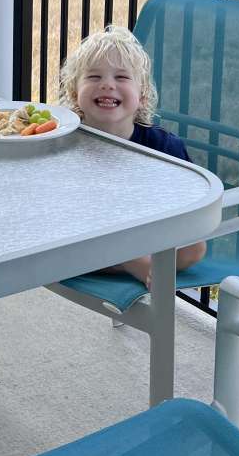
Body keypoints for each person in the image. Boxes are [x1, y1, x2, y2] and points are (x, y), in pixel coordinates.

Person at [59, 25, 207, 288]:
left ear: (142, 96)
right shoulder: (64, 142)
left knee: (195, 247)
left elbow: (190, 201)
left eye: (121, 77)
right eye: (94, 76)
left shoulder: (162, 146)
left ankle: (126, 260)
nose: (107, 84)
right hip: (85, 236)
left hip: (142, 234)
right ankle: (136, 265)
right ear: (74, 93)